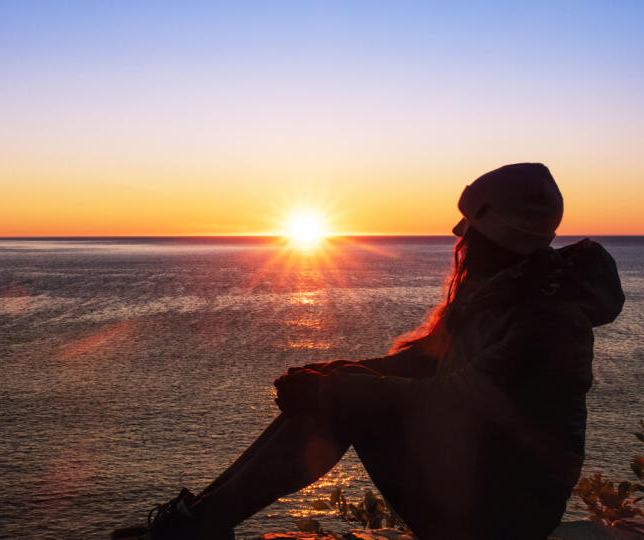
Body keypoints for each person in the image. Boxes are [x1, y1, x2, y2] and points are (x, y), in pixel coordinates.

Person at [112, 163, 625, 540]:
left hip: (504, 513)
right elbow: (426, 359)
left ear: (492, 230)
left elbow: (456, 398)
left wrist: (341, 387)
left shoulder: (548, 320)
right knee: (330, 388)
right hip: (479, 476)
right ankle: (199, 521)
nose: (457, 234)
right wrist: (334, 370)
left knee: (339, 399)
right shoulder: (511, 289)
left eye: (467, 223)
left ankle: (197, 528)